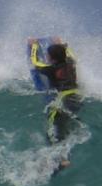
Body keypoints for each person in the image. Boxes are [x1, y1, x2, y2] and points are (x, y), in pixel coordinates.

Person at [29, 39, 83, 167]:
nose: (46, 56)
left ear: (52, 59)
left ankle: (62, 159)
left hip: (63, 100)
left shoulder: (50, 69)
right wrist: (63, 44)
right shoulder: (71, 62)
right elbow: (70, 54)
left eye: (48, 55)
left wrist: (34, 46)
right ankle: (64, 156)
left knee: (53, 129)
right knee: (66, 124)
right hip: (76, 98)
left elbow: (35, 62)